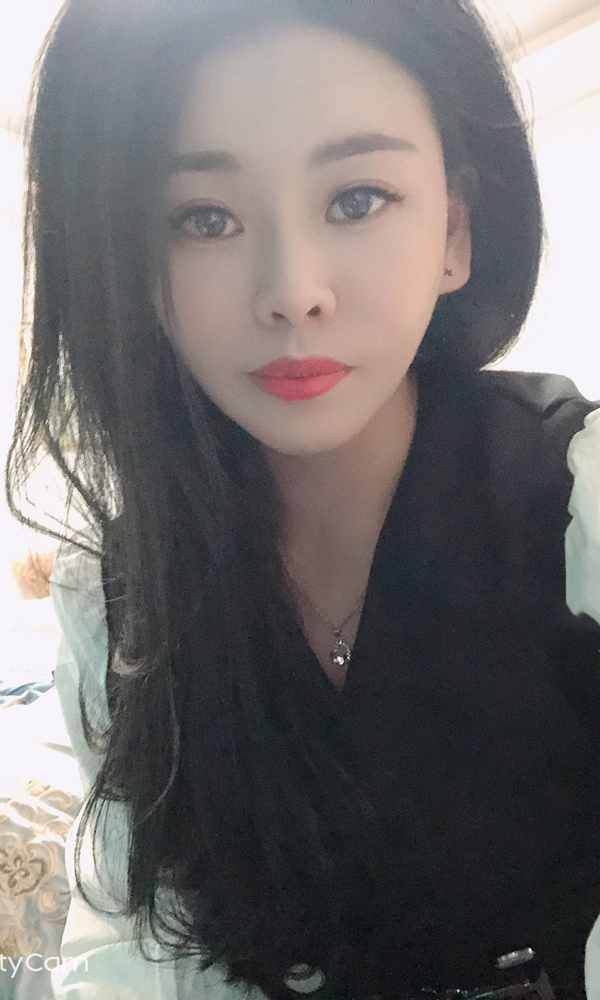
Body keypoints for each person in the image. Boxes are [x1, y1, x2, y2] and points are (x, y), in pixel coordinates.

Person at [5, 1, 600, 998]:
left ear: (455, 231)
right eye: (204, 219)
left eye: (358, 198)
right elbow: (143, 948)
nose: (292, 290)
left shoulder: (574, 503)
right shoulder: (116, 595)